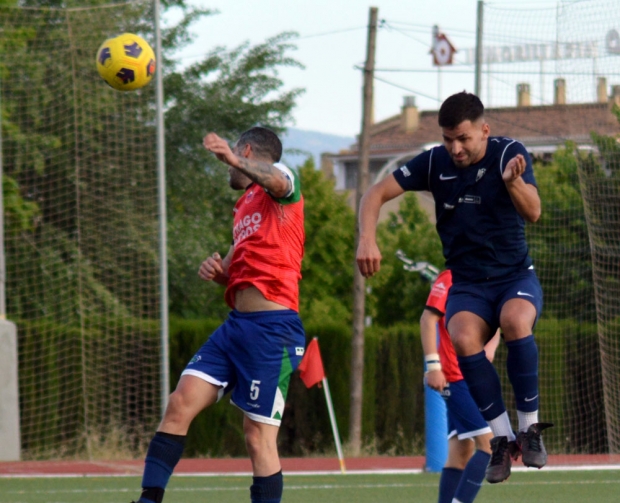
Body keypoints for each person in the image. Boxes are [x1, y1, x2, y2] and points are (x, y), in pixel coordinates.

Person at [356, 91, 552, 484]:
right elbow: (375, 194)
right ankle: (501, 441)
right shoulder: (433, 162)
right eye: (448, 139)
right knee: (462, 337)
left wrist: (513, 183)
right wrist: (367, 239)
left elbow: (533, 212)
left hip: (514, 277)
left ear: (484, 130)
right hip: (467, 283)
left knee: (516, 322)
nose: (455, 148)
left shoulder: (508, 153)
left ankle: (528, 429)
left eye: (463, 138)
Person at [131, 126, 306, 503]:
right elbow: (242, 270)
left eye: (233, 161)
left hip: (273, 332)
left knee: (257, 438)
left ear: (244, 151)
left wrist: (230, 157)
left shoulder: (283, 182)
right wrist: (222, 273)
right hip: (236, 328)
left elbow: (277, 179)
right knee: (179, 403)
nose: (227, 170)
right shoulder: (243, 206)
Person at [422, 269, 499, 503]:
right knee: (491, 447)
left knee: (460, 452)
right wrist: (433, 365)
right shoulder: (451, 276)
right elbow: (427, 318)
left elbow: (498, 319)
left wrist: (492, 345)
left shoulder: (493, 276)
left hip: (474, 375)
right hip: (456, 377)